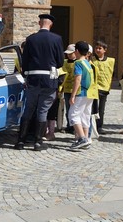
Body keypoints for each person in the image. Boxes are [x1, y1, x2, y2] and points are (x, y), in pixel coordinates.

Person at [14, 13, 64, 151]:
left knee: (28, 109)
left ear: (39, 23)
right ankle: (37, 141)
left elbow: (24, 60)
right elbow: (60, 62)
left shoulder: (30, 39)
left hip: (33, 79)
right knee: (42, 110)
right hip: (49, 80)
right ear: (50, 24)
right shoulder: (57, 39)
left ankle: (20, 141)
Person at [68, 41, 95, 150]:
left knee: (73, 115)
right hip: (90, 93)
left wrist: (73, 95)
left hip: (81, 93)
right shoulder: (88, 62)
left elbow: (78, 78)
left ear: (77, 51)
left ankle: (82, 138)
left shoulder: (78, 63)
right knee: (85, 115)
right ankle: (86, 139)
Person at [92, 40, 115, 134]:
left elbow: (111, 74)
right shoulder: (91, 59)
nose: (97, 50)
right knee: (93, 108)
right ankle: (92, 126)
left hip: (104, 87)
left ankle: (99, 126)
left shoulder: (111, 60)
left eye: (100, 48)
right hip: (94, 87)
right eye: (96, 48)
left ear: (105, 50)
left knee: (101, 109)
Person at [62, 44, 77, 134]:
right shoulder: (64, 62)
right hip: (66, 89)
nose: (68, 55)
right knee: (68, 109)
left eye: (70, 53)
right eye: (67, 54)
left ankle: (75, 126)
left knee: (74, 109)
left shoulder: (78, 62)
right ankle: (69, 125)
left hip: (75, 90)